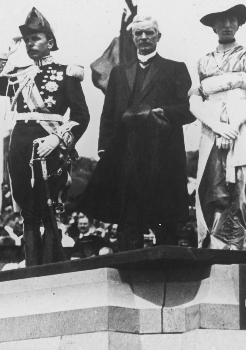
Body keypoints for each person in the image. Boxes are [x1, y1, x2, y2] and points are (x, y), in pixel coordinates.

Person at [0, 8, 90, 266]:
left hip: (49, 147)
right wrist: (5, 51)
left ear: (50, 42)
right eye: (27, 40)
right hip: (20, 148)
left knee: (49, 211)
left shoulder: (66, 73)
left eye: (35, 39)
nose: (30, 44)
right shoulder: (19, 75)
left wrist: (59, 140)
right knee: (28, 213)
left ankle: (50, 270)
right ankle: (31, 271)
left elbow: (82, 116)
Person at [83, 15, 195, 250]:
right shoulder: (119, 72)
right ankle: (126, 270)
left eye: (149, 33)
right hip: (127, 154)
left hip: (163, 153)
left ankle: (167, 271)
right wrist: (104, 147)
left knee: (165, 218)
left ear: (159, 37)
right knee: (129, 216)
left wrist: (162, 112)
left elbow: (189, 110)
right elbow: (109, 112)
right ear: (132, 38)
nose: (144, 37)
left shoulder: (175, 69)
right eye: (139, 33)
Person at [188, 4, 246, 251]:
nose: (227, 24)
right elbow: (194, 100)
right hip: (211, 126)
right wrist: (217, 126)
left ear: (238, 24)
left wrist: (234, 125)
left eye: (232, 20)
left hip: (244, 124)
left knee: (244, 181)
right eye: (221, 20)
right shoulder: (203, 61)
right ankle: (215, 247)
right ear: (213, 26)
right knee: (213, 182)